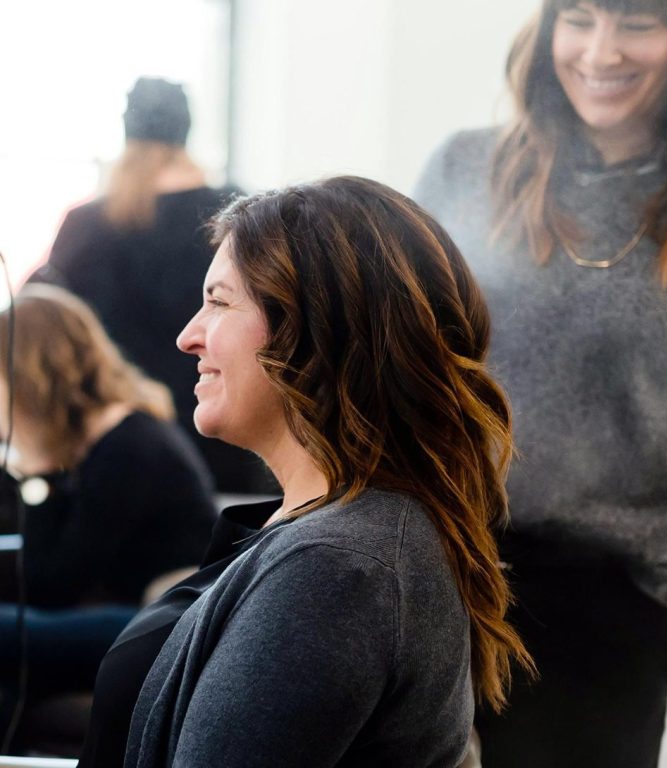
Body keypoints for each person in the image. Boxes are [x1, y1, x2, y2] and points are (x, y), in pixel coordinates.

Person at [75, 176, 534, 768]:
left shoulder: (336, 572)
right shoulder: (336, 538)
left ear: (315, 330)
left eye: (219, 302)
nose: (189, 337)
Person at [413, 0, 667, 765]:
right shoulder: (462, 168)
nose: (601, 52)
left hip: (606, 608)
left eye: (637, 23)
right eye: (579, 18)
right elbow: (393, 370)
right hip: (436, 570)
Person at [29, 76, 273, 495]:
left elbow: (39, 326)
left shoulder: (86, 226)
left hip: (117, 450)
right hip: (226, 437)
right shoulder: (236, 217)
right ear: (186, 133)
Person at [0, 284, 217, 738]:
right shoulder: (103, 440)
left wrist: (36, 476)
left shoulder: (128, 448)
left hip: (163, 625)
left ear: (28, 378)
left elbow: (52, 583)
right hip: (136, 612)